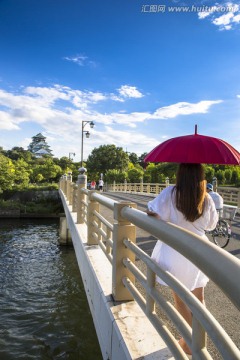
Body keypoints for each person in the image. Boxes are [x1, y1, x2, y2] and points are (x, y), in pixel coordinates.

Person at [147, 163, 218, 357]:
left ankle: (191, 341)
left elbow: (153, 210)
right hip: (199, 251)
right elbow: (212, 225)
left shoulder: (171, 193)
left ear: (181, 174)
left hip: (175, 249)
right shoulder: (207, 198)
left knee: (180, 300)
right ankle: (195, 340)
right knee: (199, 297)